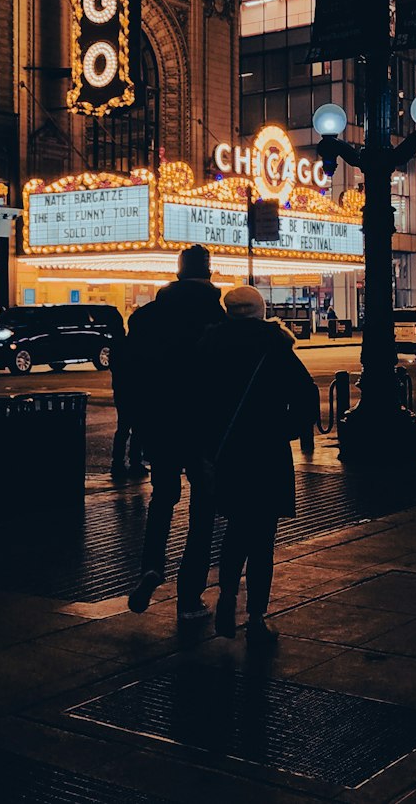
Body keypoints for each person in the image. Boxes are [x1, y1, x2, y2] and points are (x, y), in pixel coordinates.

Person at [198, 286, 318, 645]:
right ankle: (255, 617)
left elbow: (195, 401)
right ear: (259, 311)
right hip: (266, 451)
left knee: (235, 529)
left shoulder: (209, 347)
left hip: (228, 452)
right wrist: (286, 430)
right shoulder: (274, 346)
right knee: (262, 537)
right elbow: (305, 395)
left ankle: (228, 596)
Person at [126, 245, 225, 621]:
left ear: (178, 274)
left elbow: (129, 371)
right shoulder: (216, 317)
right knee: (203, 507)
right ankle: (189, 598)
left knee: (163, 497)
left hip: (158, 424)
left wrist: (138, 420)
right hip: (203, 427)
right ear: (208, 274)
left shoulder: (146, 317)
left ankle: (151, 566)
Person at [109, 325, 148, 483]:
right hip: (137, 391)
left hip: (122, 391)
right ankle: (135, 461)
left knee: (123, 428)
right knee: (138, 428)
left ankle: (118, 462)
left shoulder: (119, 346)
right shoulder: (139, 347)